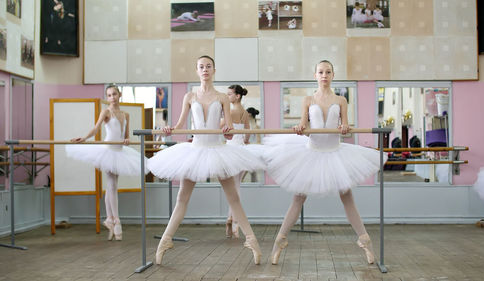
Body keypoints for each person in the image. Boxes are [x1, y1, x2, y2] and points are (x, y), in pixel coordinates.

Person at [263, 60, 386, 265]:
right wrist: (299, 127)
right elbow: (303, 124)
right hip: (311, 153)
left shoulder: (341, 100)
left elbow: (345, 124)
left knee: (347, 197)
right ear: (315, 75)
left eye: (328, 72)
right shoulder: (308, 100)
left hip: (335, 152)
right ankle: (279, 242)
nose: (324, 75)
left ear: (333, 75)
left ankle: (366, 242)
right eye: (320, 72)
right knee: (298, 198)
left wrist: (345, 127)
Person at [148, 56, 264, 265]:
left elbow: (228, 131)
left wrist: (228, 131)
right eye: (201, 67)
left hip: (218, 150)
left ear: (214, 70)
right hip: (195, 151)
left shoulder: (222, 97)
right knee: (182, 198)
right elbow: (181, 124)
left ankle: (252, 240)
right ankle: (165, 241)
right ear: (197, 70)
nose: (205, 70)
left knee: (233, 199)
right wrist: (169, 129)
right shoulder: (190, 96)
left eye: (208, 66)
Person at [66, 85, 145, 241]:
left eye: (114, 94)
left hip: (120, 151)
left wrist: (127, 140)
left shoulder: (125, 114)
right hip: (108, 151)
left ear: (119, 94)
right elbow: (96, 129)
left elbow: (125, 135)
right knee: (112, 185)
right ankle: (116, 220)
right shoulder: (106, 112)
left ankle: (110, 218)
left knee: (112, 186)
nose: (112, 97)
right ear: (107, 97)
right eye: (109, 95)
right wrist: (84, 138)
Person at [224, 85, 251, 239]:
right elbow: (247, 133)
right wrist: (245, 142)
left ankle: (233, 221)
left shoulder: (231, 111)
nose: (228, 97)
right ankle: (231, 220)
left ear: (237, 96)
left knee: (233, 188)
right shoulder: (245, 113)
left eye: (230, 94)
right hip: (242, 149)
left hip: (231, 149)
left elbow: (220, 127)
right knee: (236, 185)